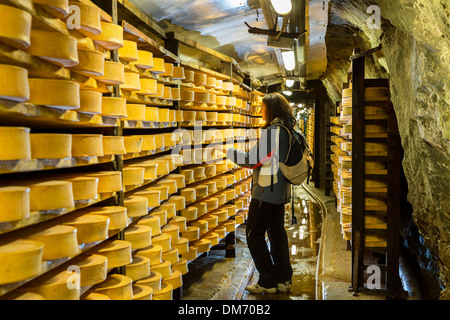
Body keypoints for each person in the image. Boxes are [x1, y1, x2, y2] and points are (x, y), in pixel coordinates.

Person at [214, 92, 294, 294]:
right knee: (277, 234)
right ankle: (284, 280)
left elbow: (254, 159)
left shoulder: (273, 131)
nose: (260, 111)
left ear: (271, 109)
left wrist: (229, 151)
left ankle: (268, 281)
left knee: (253, 234)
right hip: (279, 192)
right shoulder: (286, 129)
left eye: (262, 107)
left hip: (266, 192)